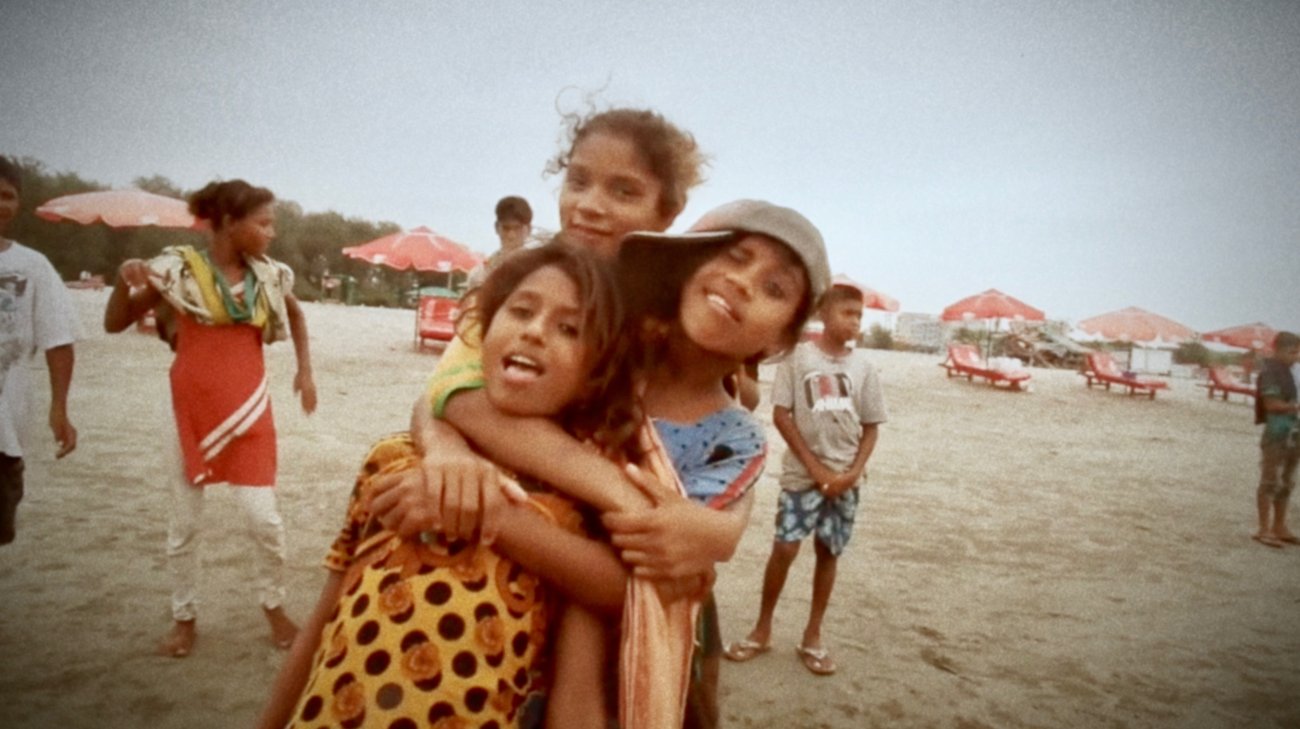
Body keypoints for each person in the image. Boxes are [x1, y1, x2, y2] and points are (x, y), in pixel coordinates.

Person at [373, 193, 829, 728]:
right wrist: (448, 450)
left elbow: (645, 585)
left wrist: (723, 529)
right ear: (684, 265)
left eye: (776, 289)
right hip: (500, 609)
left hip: (625, 652)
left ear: (781, 338)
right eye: (733, 257)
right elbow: (454, 393)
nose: (745, 282)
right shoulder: (601, 345)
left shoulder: (731, 440)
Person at [257, 241, 648, 729]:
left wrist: (495, 515)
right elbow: (321, 624)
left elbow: (612, 615)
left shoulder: (576, 504)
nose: (533, 331)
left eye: (569, 328)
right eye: (521, 311)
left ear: (595, 375)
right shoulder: (397, 460)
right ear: (481, 333)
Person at [103, 179, 317, 657]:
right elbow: (114, 322)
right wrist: (124, 279)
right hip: (187, 409)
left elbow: (296, 315)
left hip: (250, 407)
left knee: (264, 521)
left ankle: (274, 607)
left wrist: (305, 371)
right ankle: (184, 619)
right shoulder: (178, 272)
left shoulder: (269, 276)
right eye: (263, 223)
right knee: (185, 524)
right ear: (226, 223)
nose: (271, 232)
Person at [723, 281, 886, 677]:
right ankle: (762, 629)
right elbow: (782, 415)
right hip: (801, 477)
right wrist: (816, 470)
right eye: (847, 313)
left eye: (859, 316)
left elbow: (871, 427)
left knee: (828, 553)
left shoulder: (863, 368)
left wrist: (851, 473)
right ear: (824, 315)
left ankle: (813, 636)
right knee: (785, 548)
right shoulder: (798, 359)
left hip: (846, 479)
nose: (854, 322)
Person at [0, 156, 78, 546]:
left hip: (6, 425)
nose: (0, 204)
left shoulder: (33, 266)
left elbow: (58, 340)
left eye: (7, 196)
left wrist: (59, 407)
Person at [1252, 331, 1300, 548]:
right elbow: (1271, 405)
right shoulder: (1270, 371)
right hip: (1277, 432)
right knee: (1270, 480)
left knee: (1287, 482)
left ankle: (1279, 526)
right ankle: (1264, 528)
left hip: (1294, 432)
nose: (1296, 357)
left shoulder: (1290, 372)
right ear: (1278, 350)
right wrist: (1295, 406)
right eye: (1292, 352)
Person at [465, 195, 533, 290]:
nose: (511, 235)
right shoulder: (480, 273)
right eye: (506, 228)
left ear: (529, 229)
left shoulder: (538, 270)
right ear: (497, 228)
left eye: (517, 228)